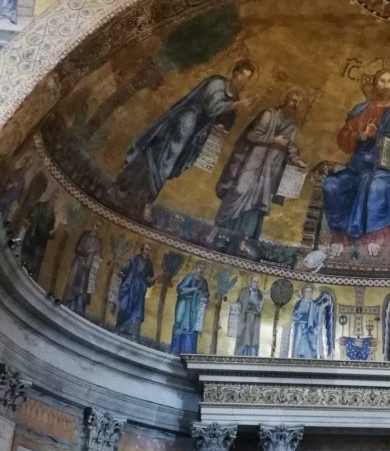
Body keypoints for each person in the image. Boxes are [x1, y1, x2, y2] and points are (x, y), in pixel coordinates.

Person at [114, 60, 257, 220]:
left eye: (247, 78)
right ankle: (135, 195)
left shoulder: (234, 97)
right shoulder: (217, 83)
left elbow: (223, 121)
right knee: (162, 161)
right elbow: (211, 108)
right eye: (242, 75)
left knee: (171, 164)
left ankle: (133, 194)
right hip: (183, 124)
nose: (243, 80)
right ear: (235, 73)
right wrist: (236, 105)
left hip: (195, 134)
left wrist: (221, 127)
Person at [322, 68, 390, 248]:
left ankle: (374, 238)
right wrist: (363, 136)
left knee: (377, 186)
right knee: (331, 185)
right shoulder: (360, 110)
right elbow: (344, 138)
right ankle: (340, 236)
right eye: (382, 81)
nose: (386, 85)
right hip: (358, 169)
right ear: (375, 84)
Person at [213, 86, 308, 251]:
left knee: (258, 203)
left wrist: (296, 159)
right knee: (238, 190)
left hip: (271, 167)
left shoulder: (293, 124)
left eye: (299, 103)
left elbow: (290, 145)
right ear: (286, 99)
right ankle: (216, 231)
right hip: (253, 161)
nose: (295, 105)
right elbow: (252, 135)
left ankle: (244, 240)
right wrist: (273, 140)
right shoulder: (269, 114)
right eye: (293, 100)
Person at [114, 242, 155, 340]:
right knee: (125, 306)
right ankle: (120, 328)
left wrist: (153, 279)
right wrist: (122, 271)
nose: (147, 251)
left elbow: (149, 278)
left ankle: (132, 333)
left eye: (149, 250)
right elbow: (126, 268)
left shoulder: (149, 264)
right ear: (142, 249)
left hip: (140, 289)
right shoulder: (135, 258)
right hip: (130, 285)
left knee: (137, 311)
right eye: (146, 249)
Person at [62, 220, 103, 315]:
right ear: (92, 225)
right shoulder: (85, 235)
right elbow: (78, 248)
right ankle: (69, 302)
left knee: (83, 287)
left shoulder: (98, 241)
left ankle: (79, 307)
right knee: (72, 282)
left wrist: (95, 256)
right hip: (79, 262)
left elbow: (99, 256)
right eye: (96, 225)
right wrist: (86, 252)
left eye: (99, 226)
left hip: (87, 267)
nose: (97, 228)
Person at [170, 264, 209, 353]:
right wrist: (193, 289)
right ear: (195, 268)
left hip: (195, 308)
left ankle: (188, 351)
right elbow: (180, 289)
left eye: (203, 268)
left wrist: (205, 298)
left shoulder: (204, 282)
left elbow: (206, 294)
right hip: (185, 303)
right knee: (180, 324)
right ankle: (175, 349)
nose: (201, 270)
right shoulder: (189, 277)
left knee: (192, 328)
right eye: (200, 267)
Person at [289, 285, 332, 359]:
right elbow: (294, 314)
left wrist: (324, 305)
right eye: (307, 292)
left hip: (310, 328)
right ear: (303, 293)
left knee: (311, 343)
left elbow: (318, 311)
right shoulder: (299, 303)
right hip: (300, 326)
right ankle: (296, 358)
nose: (309, 294)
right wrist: (299, 317)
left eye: (310, 292)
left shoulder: (314, 304)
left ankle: (310, 359)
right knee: (299, 343)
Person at [235, 275, 264, 356]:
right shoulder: (244, 291)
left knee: (254, 339)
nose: (256, 284)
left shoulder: (260, 293)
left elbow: (261, 306)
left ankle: (252, 356)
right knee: (245, 338)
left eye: (258, 282)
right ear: (250, 282)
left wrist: (259, 305)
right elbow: (239, 302)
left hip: (256, 319)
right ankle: (243, 355)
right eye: (254, 281)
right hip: (246, 317)